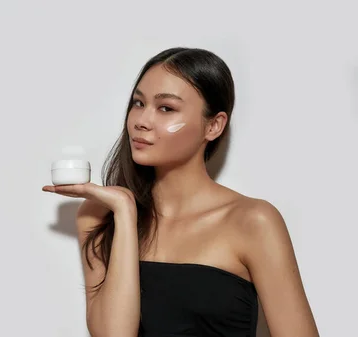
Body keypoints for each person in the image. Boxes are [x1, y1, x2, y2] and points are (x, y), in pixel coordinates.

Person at [42, 47, 319, 337]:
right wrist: (124, 211)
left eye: (166, 108)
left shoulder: (253, 221)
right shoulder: (98, 216)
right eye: (138, 103)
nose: (141, 121)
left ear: (213, 126)